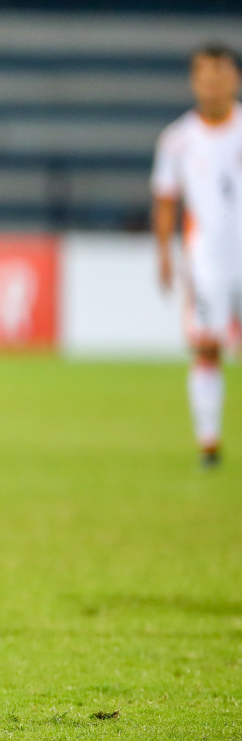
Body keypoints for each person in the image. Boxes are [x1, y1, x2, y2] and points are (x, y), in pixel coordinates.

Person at [152, 44, 242, 468]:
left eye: (220, 73)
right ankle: (209, 441)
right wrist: (164, 254)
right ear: (193, 81)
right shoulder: (177, 140)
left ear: (235, 79)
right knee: (207, 347)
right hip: (207, 259)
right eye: (204, 75)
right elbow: (166, 200)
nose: (212, 82)